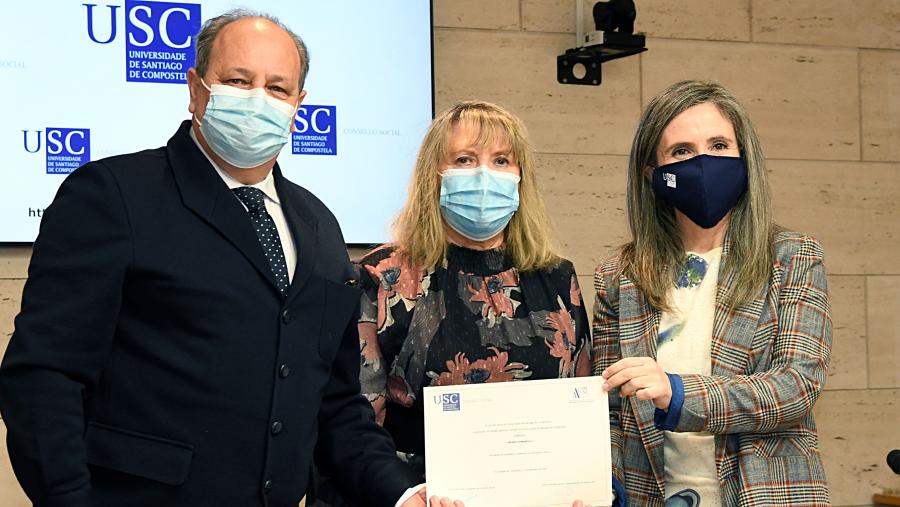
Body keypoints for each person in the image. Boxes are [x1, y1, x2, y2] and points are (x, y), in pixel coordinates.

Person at [0, 10, 457, 507]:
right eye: (238, 81)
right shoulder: (114, 197)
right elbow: (45, 378)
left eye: (277, 88)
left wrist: (402, 492)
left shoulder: (320, 227)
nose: (258, 99)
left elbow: (335, 404)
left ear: (298, 105)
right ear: (196, 90)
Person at [312, 100, 592, 506]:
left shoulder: (557, 277)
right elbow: (350, 416)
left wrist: (582, 483)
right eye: (464, 159)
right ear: (434, 176)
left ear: (521, 178)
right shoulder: (382, 277)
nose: (484, 175)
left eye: (501, 160)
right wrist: (404, 494)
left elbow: (580, 406)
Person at [593, 80, 832, 506]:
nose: (703, 161)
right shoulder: (619, 276)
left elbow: (797, 386)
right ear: (653, 174)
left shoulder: (792, 256)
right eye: (681, 151)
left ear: (744, 157)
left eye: (719, 145)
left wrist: (678, 393)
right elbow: (611, 411)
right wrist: (603, 483)